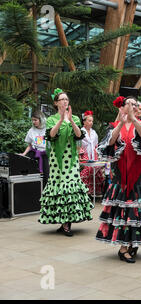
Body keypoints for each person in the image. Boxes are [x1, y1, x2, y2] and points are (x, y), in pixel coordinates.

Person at [96, 96, 141, 263]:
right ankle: (123, 248)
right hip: (120, 174)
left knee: (137, 209)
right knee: (123, 210)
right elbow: (110, 142)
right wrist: (121, 122)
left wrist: (133, 119)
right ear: (122, 107)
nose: (133, 106)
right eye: (129, 104)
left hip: (138, 172)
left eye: (135, 104)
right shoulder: (114, 126)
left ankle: (133, 242)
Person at [38, 88, 93, 236]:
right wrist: (61, 120)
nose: (64, 102)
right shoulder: (51, 119)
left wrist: (70, 121)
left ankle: (67, 223)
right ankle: (64, 222)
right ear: (56, 103)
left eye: (66, 99)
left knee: (70, 186)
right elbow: (51, 135)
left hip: (71, 158)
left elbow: (79, 135)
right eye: (62, 99)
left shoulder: (74, 118)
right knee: (59, 186)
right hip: (57, 159)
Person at [79, 110, 104, 196]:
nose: (91, 123)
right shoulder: (80, 132)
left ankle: (94, 192)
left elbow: (96, 145)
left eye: (92, 121)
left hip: (93, 155)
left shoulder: (94, 133)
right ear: (84, 122)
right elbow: (78, 145)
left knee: (96, 170)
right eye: (89, 121)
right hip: (84, 155)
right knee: (86, 171)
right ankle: (85, 191)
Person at [21, 110, 49, 187]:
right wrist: (23, 154)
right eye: (32, 120)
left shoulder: (48, 128)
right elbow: (29, 145)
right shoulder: (31, 130)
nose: (33, 122)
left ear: (41, 119)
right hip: (34, 154)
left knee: (47, 176)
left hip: (46, 155)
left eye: (35, 120)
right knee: (31, 174)